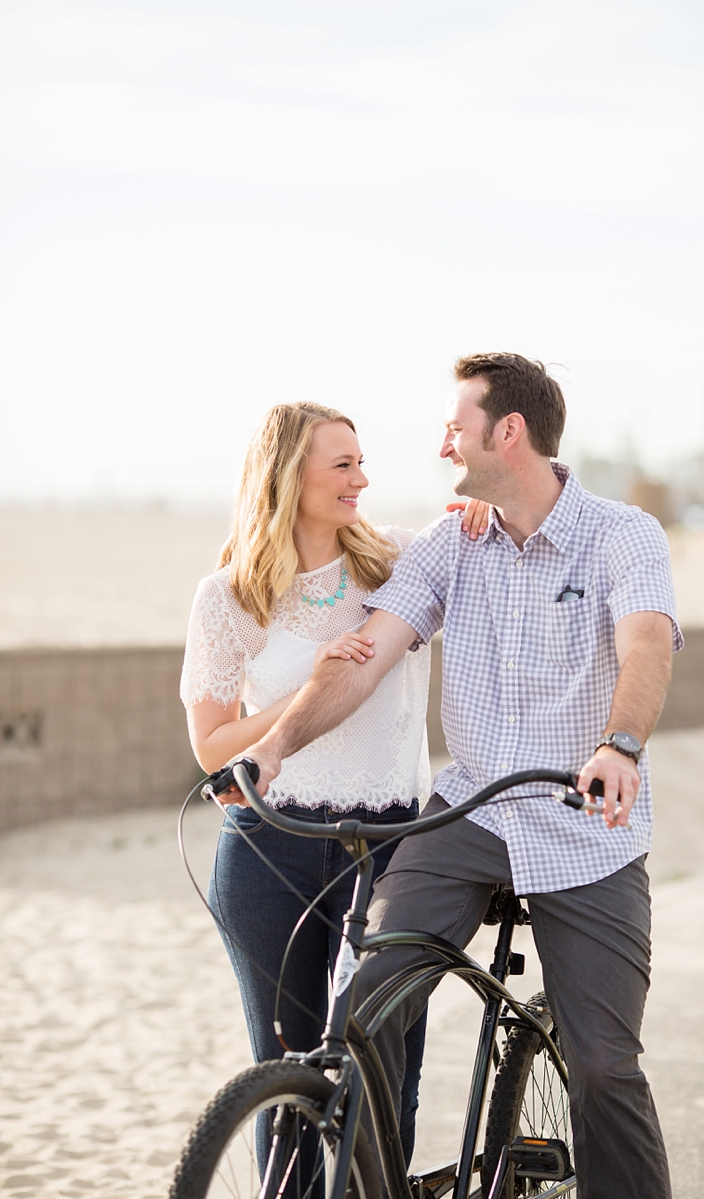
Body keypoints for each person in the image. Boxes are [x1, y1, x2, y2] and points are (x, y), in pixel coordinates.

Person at [233, 352, 680, 1199]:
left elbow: (647, 641)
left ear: (505, 432)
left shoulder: (624, 535)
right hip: (468, 811)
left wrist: (620, 743)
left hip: (587, 823)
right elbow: (363, 660)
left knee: (603, 1064)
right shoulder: (451, 542)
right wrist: (275, 745)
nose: (443, 440)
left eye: (455, 424)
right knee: (362, 1009)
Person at [180, 402, 488, 1166]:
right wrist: (311, 690)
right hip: (267, 852)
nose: (363, 478)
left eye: (361, 460)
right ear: (291, 476)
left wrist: (486, 512)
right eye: (343, 463)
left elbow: (507, 561)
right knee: (283, 1082)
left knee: (387, 1077)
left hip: (392, 848)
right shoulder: (229, 596)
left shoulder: (402, 560)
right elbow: (213, 743)